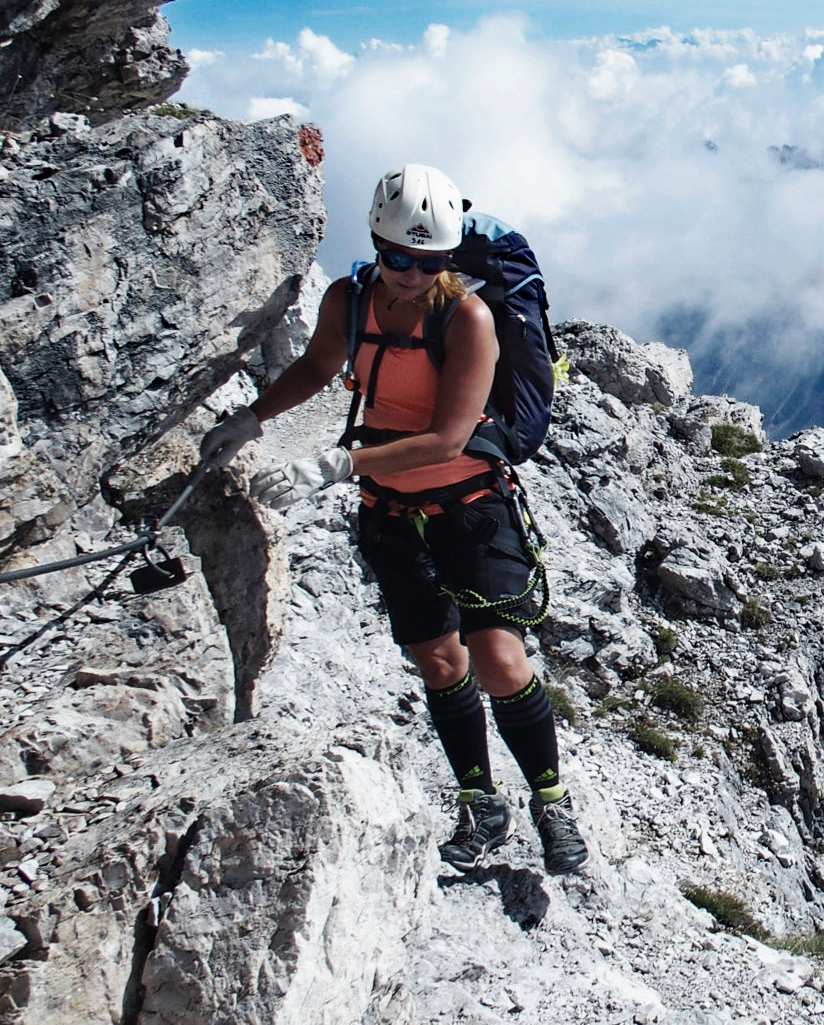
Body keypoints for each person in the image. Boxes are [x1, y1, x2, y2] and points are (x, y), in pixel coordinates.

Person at [200, 164, 587, 875]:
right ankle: (480, 801)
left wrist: (339, 464)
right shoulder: (349, 301)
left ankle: (550, 800)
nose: (412, 273)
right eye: (399, 256)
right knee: (439, 661)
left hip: (471, 507)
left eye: (431, 260)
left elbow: (448, 436)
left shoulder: (468, 319)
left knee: (500, 660)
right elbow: (318, 367)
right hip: (391, 511)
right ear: (377, 241)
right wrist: (251, 419)